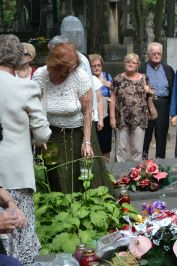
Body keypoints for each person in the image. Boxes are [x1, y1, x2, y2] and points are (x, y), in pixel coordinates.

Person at [0, 34, 51, 265]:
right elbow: (42, 134)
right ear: (18, 57)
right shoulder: (25, 87)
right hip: (16, 174)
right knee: (20, 241)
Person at [32, 43, 95, 193]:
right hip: (51, 137)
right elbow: (32, 108)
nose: (69, 72)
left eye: (72, 68)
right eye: (65, 70)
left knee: (83, 179)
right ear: (54, 66)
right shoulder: (40, 76)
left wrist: (87, 142)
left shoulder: (80, 76)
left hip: (78, 135)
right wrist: (38, 135)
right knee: (55, 181)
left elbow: (87, 111)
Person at [110, 53, 153, 162]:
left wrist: (150, 91)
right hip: (122, 118)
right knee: (121, 149)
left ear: (138, 65)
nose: (130, 64)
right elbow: (113, 98)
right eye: (128, 62)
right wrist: (112, 117)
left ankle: (136, 175)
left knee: (137, 150)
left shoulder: (144, 78)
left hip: (139, 118)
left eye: (133, 62)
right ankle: (119, 175)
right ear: (124, 63)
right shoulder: (118, 79)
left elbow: (151, 94)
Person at [139, 42, 175, 159]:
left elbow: (173, 90)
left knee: (161, 136)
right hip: (146, 105)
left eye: (159, 53)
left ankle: (161, 164)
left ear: (162, 54)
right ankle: (143, 164)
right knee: (145, 136)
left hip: (163, 104)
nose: (156, 55)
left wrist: (173, 111)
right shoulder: (141, 69)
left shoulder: (168, 69)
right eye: (153, 53)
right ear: (148, 54)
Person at [89, 54, 113, 161]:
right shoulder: (87, 78)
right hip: (92, 114)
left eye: (99, 65)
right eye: (94, 66)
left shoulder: (108, 77)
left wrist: (111, 86)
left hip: (106, 113)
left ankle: (106, 167)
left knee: (105, 144)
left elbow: (114, 94)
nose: (97, 68)